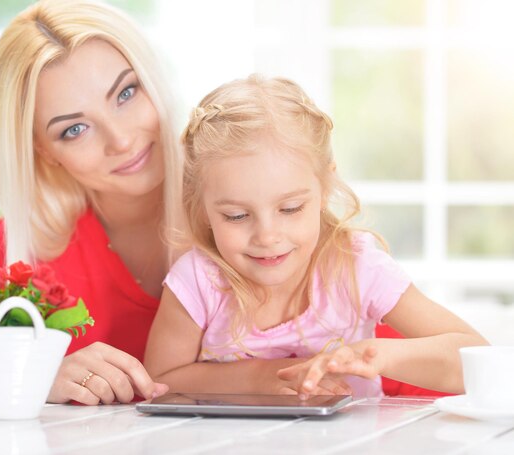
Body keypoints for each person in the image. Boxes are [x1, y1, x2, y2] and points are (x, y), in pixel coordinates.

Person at [143, 74, 488, 397]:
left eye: (290, 208)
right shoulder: (199, 280)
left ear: (324, 189)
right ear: (202, 207)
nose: (267, 235)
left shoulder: (357, 267)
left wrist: (379, 355)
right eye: (236, 215)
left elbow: (477, 360)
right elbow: (161, 379)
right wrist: (260, 377)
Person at [0, 0, 183, 405]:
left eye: (126, 92)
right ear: (43, 150)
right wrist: (39, 381)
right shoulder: (18, 252)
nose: (121, 140)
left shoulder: (250, 206)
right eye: (75, 129)